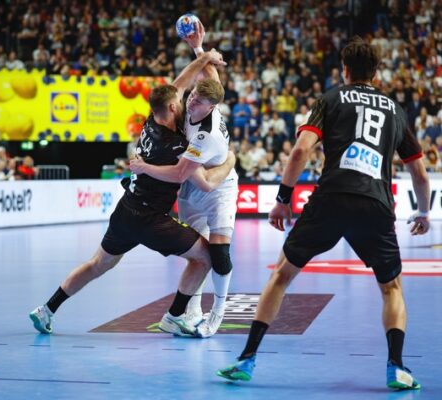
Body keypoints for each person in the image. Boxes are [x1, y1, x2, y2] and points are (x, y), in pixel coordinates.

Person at [216, 36, 430, 391]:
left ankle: (246, 359)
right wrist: (422, 211)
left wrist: (283, 198)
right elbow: (419, 173)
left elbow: (301, 150)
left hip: (330, 198)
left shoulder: (330, 99)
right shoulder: (396, 110)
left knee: (281, 275)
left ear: (344, 70)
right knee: (391, 287)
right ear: (376, 73)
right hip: (375, 204)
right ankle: (397, 368)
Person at [30, 50, 235, 336]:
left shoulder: (151, 120)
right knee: (206, 257)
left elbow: (177, 85)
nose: (185, 101)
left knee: (97, 264)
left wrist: (201, 55)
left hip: (126, 210)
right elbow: (199, 180)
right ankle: (174, 317)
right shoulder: (177, 146)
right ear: (173, 107)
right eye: (181, 101)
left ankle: (47, 309)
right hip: (151, 219)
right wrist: (230, 161)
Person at [129, 21, 238, 338]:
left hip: (217, 186)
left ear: (212, 108)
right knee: (197, 254)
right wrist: (199, 48)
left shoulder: (206, 136)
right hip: (192, 187)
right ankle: (192, 311)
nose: (191, 102)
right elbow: (209, 77)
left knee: (218, 254)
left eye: (199, 102)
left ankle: (218, 312)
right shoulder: (198, 100)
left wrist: (143, 167)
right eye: (192, 97)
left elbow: (192, 177)